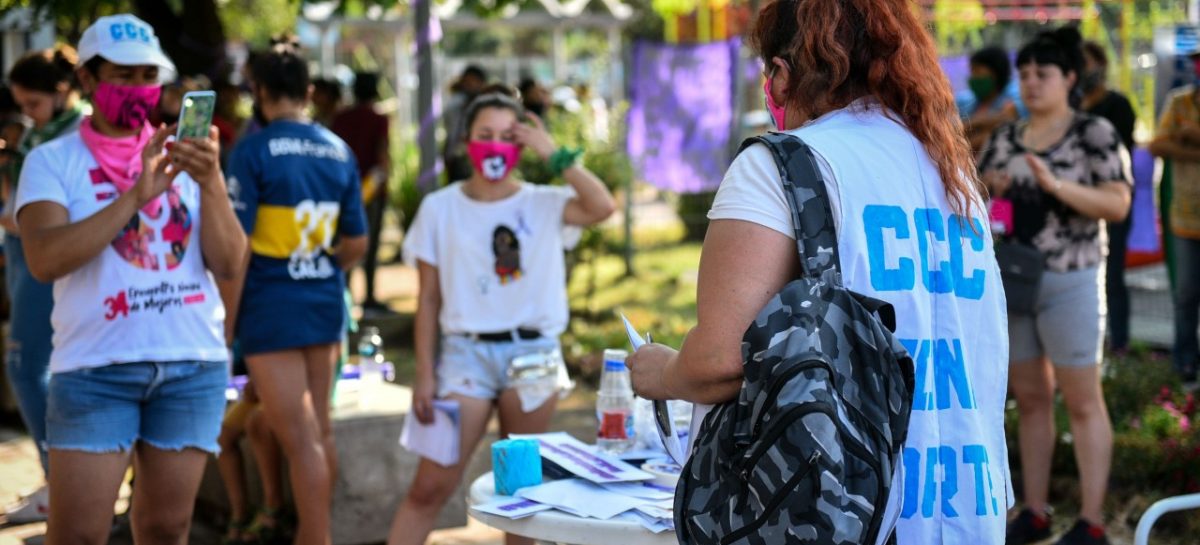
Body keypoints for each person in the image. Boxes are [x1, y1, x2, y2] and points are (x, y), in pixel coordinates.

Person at [626, 0, 1011, 543]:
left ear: (781, 75)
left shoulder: (782, 164)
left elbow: (720, 360)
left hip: (845, 511)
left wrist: (660, 373)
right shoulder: (950, 172)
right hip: (968, 506)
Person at [14, 13, 246, 544]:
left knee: (167, 529)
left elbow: (231, 263)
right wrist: (136, 196)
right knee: (77, 535)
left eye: (149, 76)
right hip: (96, 370)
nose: (140, 89)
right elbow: (45, 259)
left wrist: (209, 184)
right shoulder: (51, 161)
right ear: (89, 81)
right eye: (124, 76)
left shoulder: (189, 157)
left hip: (190, 366)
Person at [387, 87, 615, 545]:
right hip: (464, 358)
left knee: (522, 499)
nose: (494, 145)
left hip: (534, 357)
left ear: (523, 143)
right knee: (430, 485)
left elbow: (602, 206)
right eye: (483, 134)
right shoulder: (440, 208)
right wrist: (426, 374)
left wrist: (554, 154)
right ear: (465, 139)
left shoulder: (545, 202)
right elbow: (427, 299)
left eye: (506, 135)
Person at [977, 27, 1130, 545]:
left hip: (1073, 280)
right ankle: (1034, 511)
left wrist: (1055, 185)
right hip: (1014, 281)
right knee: (1030, 398)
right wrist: (996, 195)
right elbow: (990, 215)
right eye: (1024, 74)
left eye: (1042, 73)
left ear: (1069, 77)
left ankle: (1092, 521)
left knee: (1082, 400)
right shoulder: (1003, 137)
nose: (1031, 83)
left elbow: (1117, 204)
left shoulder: (1094, 133)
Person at [226, 45, 368, 545]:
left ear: (259, 93)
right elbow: (356, 243)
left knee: (300, 438)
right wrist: (319, 266)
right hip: (324, 303)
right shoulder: (338, 149)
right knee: (318, 433)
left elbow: (235, 248)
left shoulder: (251, 151)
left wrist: (225, 325)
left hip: (271, 311)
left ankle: (316, 538)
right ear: (309, 92)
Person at [0, 46, 85, 525]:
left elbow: (36, 217)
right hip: (23, 257)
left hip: (44, 263)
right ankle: (59, 481)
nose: (26, 115)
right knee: (32, 367)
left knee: (25, 366)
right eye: (21, 106)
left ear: (60, 92)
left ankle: (61, 481)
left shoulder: (74, 135)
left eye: (32, 104)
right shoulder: (40, 135)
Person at [1080, 41, 1136, 354]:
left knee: (1113, 276)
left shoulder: (1118, 106)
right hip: (1077, 208)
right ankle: (1090, 348)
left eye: (1087, 63)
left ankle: (1120, 345)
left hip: (1109, 204)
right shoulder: (1069, 109)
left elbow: (1118, 158)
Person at [1148, 48, 1200, 384]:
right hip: (1184, 217)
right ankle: (1184, 361)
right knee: (1185, 295)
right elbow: (1157, 145)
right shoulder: (1179, 102)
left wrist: (1189, 138)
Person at [331, 72, 390, 313]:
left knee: (344, 241)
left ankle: (344, 293)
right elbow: (383, 155)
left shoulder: (341, 118)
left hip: (343, 189)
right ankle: (369, 296)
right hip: (371, 191)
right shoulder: (378, 118)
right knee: (370, 244)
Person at [963, 46, 1020, 152]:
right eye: (971, 71)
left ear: (995, 73)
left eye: (977, 71)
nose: (973, 77)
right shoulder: (967, 103)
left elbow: (1007, 121)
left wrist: (967, 126)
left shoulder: (1014, 97)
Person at [442, 65, 488, 183]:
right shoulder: (456, 101)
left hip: (476, 155)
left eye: (474, 81)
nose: (470, 84)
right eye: (467, 81)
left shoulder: (484, 104)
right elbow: (451, 130)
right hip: (456, 156)